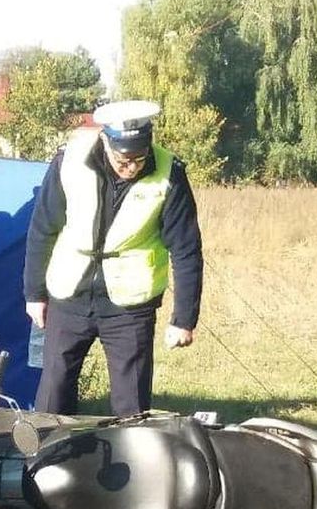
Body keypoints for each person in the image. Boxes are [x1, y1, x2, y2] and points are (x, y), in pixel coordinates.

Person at [23, 99, 203, 416]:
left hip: (130, 305)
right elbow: (42, 229)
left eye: (139, 157)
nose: (131, 166)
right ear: (105, 139)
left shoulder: (170, 174)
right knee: (53, 393)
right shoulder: (68, 162)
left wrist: (184, 319)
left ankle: (131, 463)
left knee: (131, 404)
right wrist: (34, 294)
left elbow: (186, 248)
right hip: (69, 294)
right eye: (124, 159)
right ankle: (48, 461)